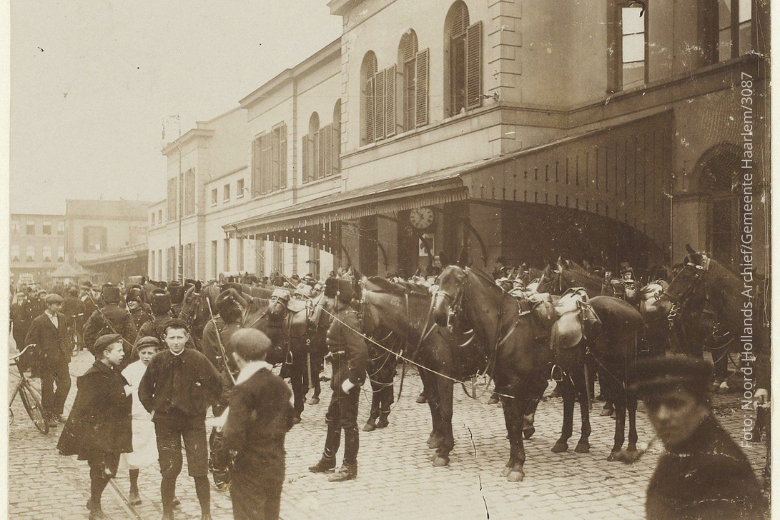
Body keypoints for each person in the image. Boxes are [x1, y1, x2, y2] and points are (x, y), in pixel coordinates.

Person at [629, 356, 766, 520]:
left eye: (675, 404)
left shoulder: (721, 470)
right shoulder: (681, 449)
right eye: (652, 404)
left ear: (702, 406)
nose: (662, 416)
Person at [138, 319, 223, 520]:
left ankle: (206, 514)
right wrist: (152, 410)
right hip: (166, 423)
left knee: (199, 468)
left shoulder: (198, 359)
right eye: (172, 337)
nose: (176, 342)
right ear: (165, 339)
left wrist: (204, 405)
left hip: (193, 422)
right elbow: (144, 390)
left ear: (186, 337)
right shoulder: (158, 360)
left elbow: (217, 384)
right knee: (169, 468)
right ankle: (167, 513)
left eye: (180, 337)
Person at [57, 334, 133, 520]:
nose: (123, 354)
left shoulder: (113, 370)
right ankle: (96, 508)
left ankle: (94, 498)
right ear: (106, 353)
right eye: (119, 350)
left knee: (111, 469)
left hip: (114, 430)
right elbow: (86, 408)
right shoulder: (93, 376)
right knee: (99, 468)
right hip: (97, 433)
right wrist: (123, 394)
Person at [222, 329, 294, 520]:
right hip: (276, 462)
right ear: (264, 354)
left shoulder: (243, 389)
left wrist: (222, 458)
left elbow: (233, 434)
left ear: (237, 358)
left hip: (249, 467)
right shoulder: (280, 384)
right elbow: (288, 421)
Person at [309, 277, 367, 482]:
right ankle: (328, 459)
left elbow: (360, 352)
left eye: (329, 295)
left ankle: (350, 466)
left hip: (346, 375)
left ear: (337, 296)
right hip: (338, 374)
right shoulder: (339, 313)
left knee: (348, 421)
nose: (327, 299)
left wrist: (353, 380)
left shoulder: (348, 317)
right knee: (333, 417)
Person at [119, 336, 162, 506]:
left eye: (150, 353)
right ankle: (133, 488)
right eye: (143, 353)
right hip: (137, 417)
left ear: (157, 353)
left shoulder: (163, 367)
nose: (146, 356)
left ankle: (169, 492)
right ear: (137, 353)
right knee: (134, 455)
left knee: (163, 454)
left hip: (157, 417)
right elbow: (122, 393)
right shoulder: (130, 370)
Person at [25, 293, 71, 426]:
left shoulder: (61, 318)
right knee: (48, 388)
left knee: (65, 384)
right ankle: (49, 416)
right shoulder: (39, 321)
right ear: (49, 305)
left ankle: (57, 411)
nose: (59, 307)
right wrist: (41, 354)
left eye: (60, 304)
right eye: (56, 304)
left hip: (61, 358)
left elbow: (65, 335)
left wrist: (67, 348)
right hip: (47, 360)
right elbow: (30, 341)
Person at [83, 283, 137, 368]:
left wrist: (97, 351)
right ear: (118, 299)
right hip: (121, 355)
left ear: (103, 299)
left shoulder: (97, 314)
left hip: (102, 356)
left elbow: (87, 335)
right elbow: (132, 334)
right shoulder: (125, 313)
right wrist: (124, 351)